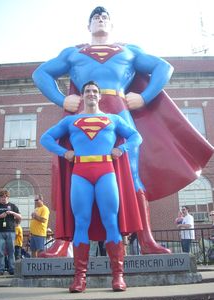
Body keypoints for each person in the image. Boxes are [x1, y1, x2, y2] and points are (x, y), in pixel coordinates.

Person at [32, 6, 213, 255]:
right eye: (95, 17)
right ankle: (64, 242)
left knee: (132, 174)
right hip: (81, 116)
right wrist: (61, 99)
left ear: (111, 24)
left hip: (119, 113)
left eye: (104, 17)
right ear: (88, 26)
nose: (100, 20)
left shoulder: (128, 51)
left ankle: (147, 240)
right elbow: (40, 73)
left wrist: (146, 96)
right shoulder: (74, 53)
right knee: (73, 173)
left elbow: (164, 68)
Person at [40, 81, 143, 292]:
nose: (91, 94)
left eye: (95, 91)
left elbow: (136, 136)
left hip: (106, 171)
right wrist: (64, 153)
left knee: (110, 221)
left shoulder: (113, 119)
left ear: (100, 96)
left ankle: (118, 277)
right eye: (87, 91)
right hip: (80, 173)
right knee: (81, 223)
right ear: (83, 96)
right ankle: (80, 279)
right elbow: (46, 138)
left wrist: (122, 148)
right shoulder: (71, 121)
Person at [0, 189, 21, 276]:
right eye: (2, 197)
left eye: (5, 197)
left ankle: (12, 269)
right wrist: (0, 216)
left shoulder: (13, 206)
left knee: (11, 251)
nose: (3, 199)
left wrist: (12, 212)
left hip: (11, 231)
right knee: (0, 251)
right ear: (0, 198)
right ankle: (0, 270)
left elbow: (20, 217)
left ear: (8, 197)